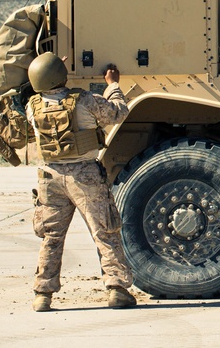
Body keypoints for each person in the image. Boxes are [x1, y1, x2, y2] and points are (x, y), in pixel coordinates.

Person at [24, 53, 135, 312]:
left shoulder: (32, 106)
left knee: (51, 237)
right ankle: (117, 289)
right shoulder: (84, 100)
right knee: (104, 232)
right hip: (84, 175)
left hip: (49, 177)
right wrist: (113, 85)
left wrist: (53, 67)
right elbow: (118, 113)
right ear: (59, 76)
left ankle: (43, 294)